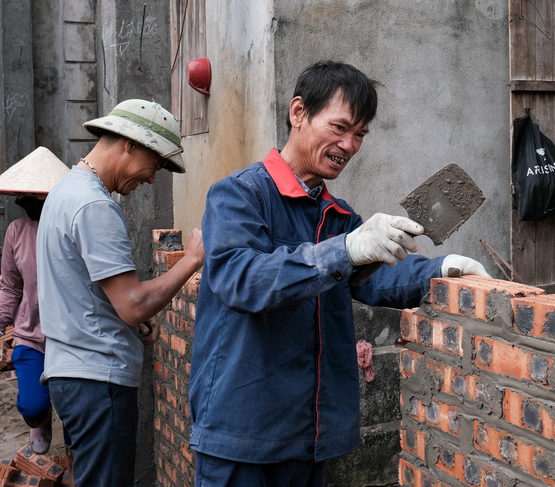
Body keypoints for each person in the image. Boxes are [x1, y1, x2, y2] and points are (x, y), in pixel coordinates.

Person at [189, 60, 491, 486]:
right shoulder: (239, 195)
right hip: (242, 433)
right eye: (339, 128)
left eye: (360, 135)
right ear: (298, 113)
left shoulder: (338, 215)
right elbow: (243, 279)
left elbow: (376, 277)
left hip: (310, 436)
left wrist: (442, 269)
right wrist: (343, 250)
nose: (348, 145)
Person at [36, 99, 205, 487]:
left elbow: (87, 292)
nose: (150, 180)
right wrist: (191, 260)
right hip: (98, 382)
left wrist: (132, 320)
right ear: (129, 143)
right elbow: (132, 304)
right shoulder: (95, 206)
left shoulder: (64, 193)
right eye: (156, 166)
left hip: (71, 374)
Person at [0, 147, 70, 454]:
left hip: (71, 339)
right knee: (32, 406)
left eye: (36, 195)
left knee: (75, 415)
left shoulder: (70, 228)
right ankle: (40, 422)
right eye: (23, 194)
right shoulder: (15, 232)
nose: (26, 201)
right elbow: (10, 288)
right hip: (32, 337)